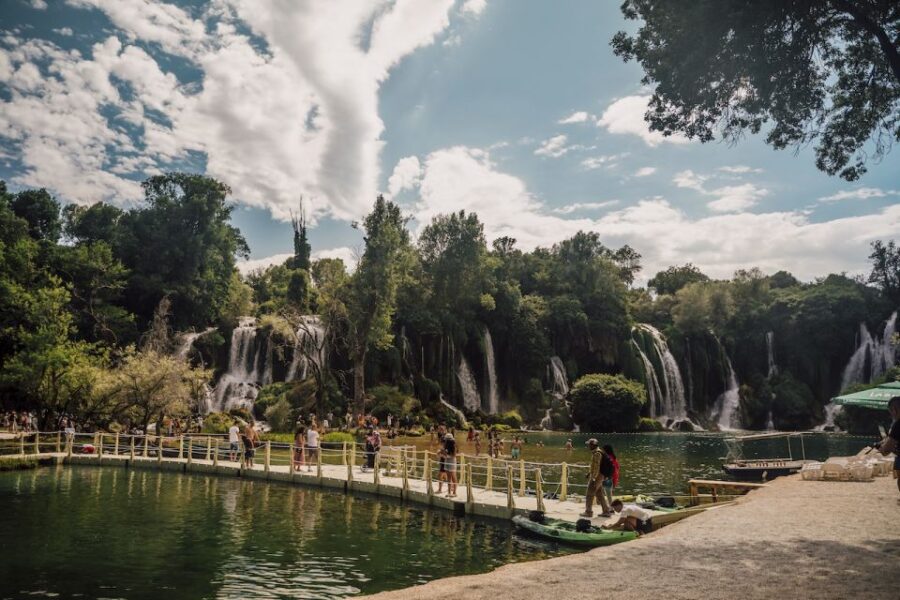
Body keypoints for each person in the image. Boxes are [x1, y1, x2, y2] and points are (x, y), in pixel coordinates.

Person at [580, 438, 612, 518]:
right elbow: (594, 466)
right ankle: (606, 511)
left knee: (589, 494)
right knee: (599, 494)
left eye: (589, 445)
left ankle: (588, 512)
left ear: (593, 445)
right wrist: (589, 473)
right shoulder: (597, 452)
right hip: (599, 476)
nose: (588, 446)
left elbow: (597, 467)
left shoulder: (597, 453)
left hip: (597, 476)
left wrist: (593, 478)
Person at [877, 396, 900, 496]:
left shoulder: (898, 425)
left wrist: (879, 447)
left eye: (891, 411)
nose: (891, 414)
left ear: (895, 409)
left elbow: (886, 451)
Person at [443, 433, 458, 497]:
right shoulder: (446, 446)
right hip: (447, 462)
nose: (445, 441)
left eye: (446, 440)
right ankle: (449, 492)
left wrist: (445, 455)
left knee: (453, 477)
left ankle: (454, 492)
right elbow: (446, 455)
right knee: (448, 478)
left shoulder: (453, 447)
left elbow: (453, 455)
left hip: (451, 462)